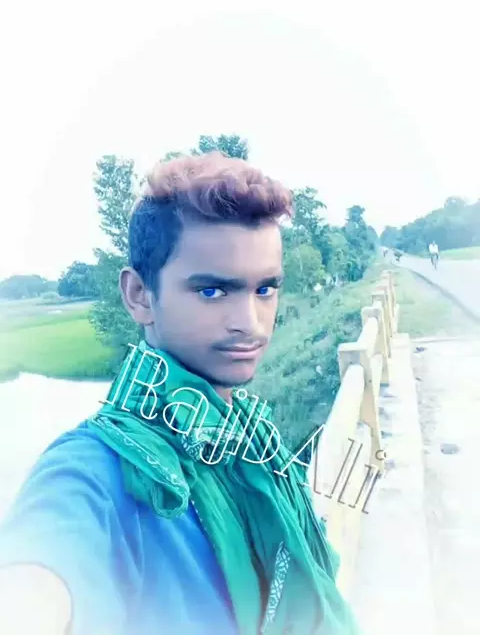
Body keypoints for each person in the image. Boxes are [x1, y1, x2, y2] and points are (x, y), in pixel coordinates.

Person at [0, 153, 360, 634]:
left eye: (265, 290)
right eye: (212, 291)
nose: (250, 323)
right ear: (139, 295)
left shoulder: (249, 437)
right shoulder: (92, 471)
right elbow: (36, 583)